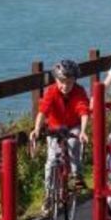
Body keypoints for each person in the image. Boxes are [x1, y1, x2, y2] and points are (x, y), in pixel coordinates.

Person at [29, 59, 90, 211]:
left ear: (75, 80)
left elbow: (83, 111)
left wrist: (83, 131)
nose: (65, 86)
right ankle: (49, 195)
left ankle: (77, 176)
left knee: (74, 145)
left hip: (73, 126)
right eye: (61, 81)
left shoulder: (79, 91)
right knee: (51, 161)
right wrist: (37, 129)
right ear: (56, 80)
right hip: (55, 128)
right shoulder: (51, 91)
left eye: (69, 82)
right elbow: (43, 111)